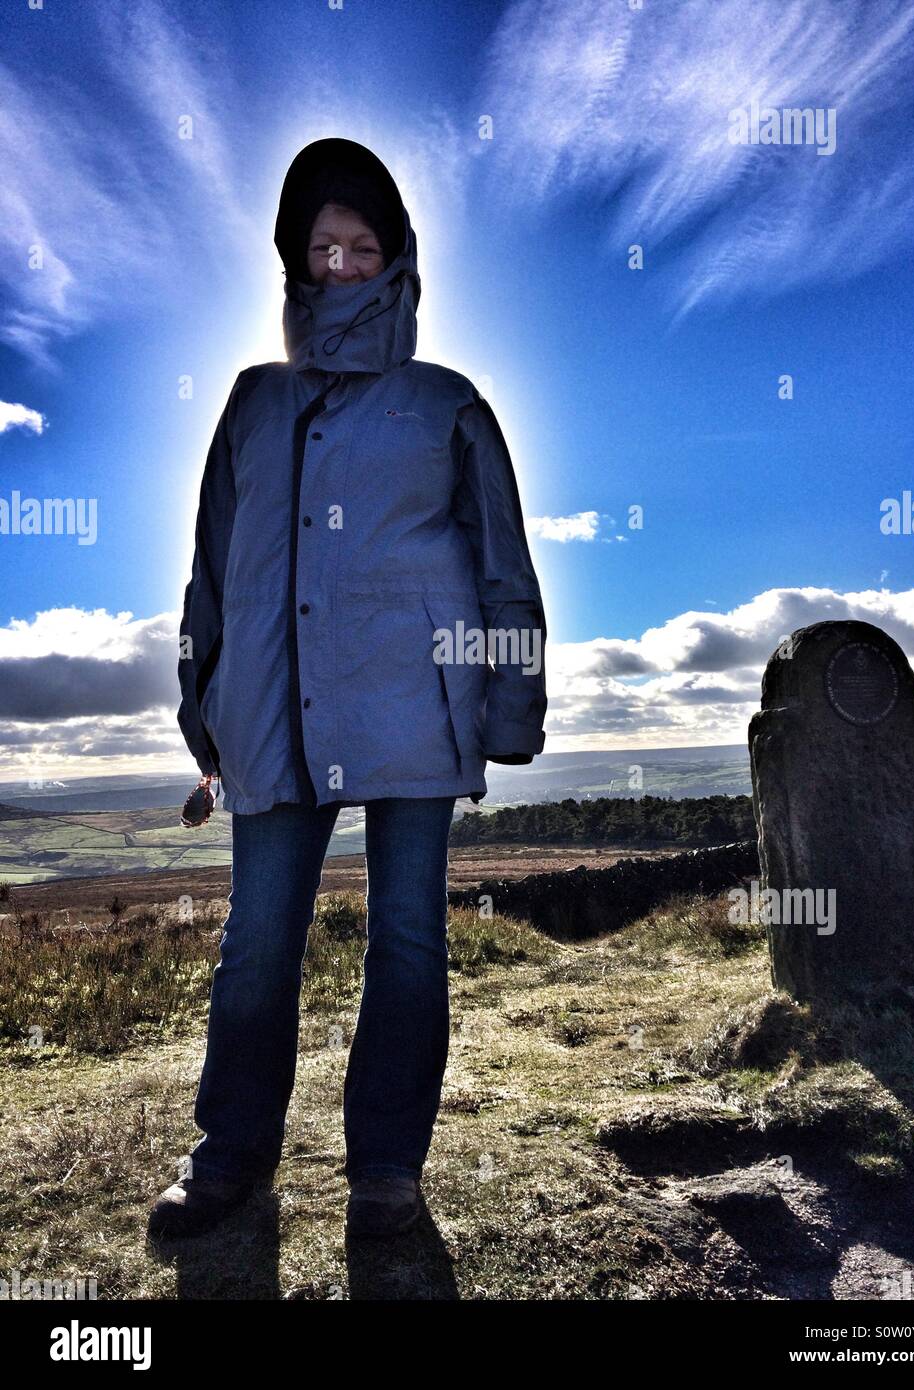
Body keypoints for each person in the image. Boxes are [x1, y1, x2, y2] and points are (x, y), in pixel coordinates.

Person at [149, 138, 547, 1241]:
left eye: (361, 247)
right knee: (257, 940)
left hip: (417, 704)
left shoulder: (447, 402)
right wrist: (204, 705)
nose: (338, 266)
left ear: (399, 260)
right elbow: (209, 571)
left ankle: (385, 1172)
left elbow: (504, 563)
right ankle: (229, 1158)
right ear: (291, 259)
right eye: (319, 246)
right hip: (272, 711)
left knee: (408, 938)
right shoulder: (250, 402)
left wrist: (509, 707)